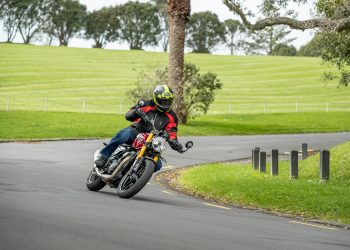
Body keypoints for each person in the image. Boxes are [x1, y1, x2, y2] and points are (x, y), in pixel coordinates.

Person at [94, 84, 183, 172]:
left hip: (153, 142)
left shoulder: (172, 117)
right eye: (163, 101)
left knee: (157, 165)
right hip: (137, 130)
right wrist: (136, 113)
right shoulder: (146, 104)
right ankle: (104, 156)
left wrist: (175, 143)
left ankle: (133, 177)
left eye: (168, 101)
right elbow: (128, 114)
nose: (166, 104)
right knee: (124, 135)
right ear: (156, 99)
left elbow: (172, 133)